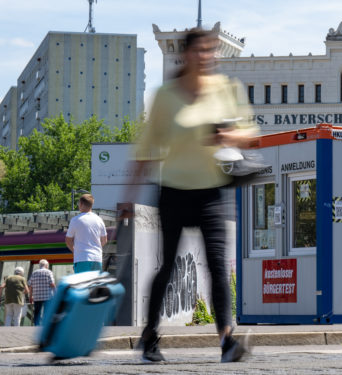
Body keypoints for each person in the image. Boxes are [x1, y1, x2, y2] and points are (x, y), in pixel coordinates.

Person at [127, 28, 257, 363]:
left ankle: (227, 341)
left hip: (212, 192)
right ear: (186, 55)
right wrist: (128, 198)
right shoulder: (166, 96)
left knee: (217, 267)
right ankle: (150, 336)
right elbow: (145, 151)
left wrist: (230, 134)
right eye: (200, 50)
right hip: (172, 192)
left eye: (210, 50)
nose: (206, 56)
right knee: (167, 267)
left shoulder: (227, 89)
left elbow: (251, 136)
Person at [65, 194, 107, 273]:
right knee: (95, 285)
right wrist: (96, 248)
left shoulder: (75, 220)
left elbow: (68, 241)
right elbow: (104, 240)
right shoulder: (99, 220)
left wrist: (76, 251)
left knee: (83, 284)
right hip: (97, 259)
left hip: (82, 258)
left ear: (81, 204)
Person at [28, 259, 56, 326]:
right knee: (47, 312)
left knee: (37, 312)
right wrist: (56, 292)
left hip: (37, 296)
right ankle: (45, 326)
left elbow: (30, 285)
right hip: (47, 296)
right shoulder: (49, 272)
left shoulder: (34, 273)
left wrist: (30, 296)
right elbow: (52, 284)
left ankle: (36, 325)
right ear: (46, 265)